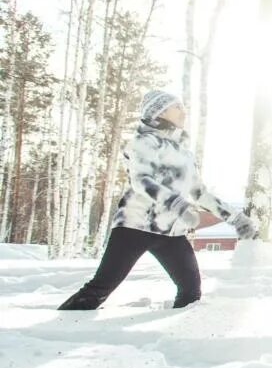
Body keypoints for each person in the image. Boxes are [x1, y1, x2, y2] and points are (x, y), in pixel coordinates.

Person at [58, 90, 256, 311]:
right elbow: (141, 181)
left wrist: (236, 218)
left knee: (191, 290)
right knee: (101, 287)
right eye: (177, 107)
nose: (183, 111)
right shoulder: (143, 142)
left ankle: (178, 339)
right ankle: (58, 328)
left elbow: (201, 194)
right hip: (135, 227)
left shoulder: (185, 154)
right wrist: (179, 205)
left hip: (171, 233)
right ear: (159, 111)